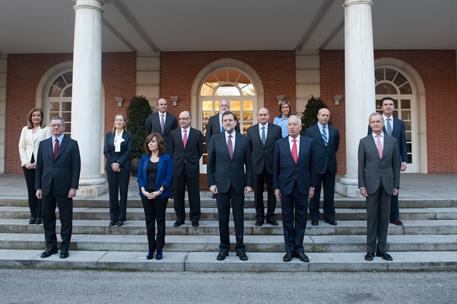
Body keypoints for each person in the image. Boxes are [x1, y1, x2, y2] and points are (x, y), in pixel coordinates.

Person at [207, 111, 252, 261]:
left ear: (235, 122)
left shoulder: (244, 140)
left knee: (239, 218)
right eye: (225, 120)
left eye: (230, 120)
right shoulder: (215, 139)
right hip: (221, 185)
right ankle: (223, 248)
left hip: (239, 185)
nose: (227, 122)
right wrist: (211, 183)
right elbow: (210, 164)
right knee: (223, 218)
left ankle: (240, 248)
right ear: (222, 123)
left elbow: (249, 164)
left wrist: (249, 183)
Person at [35, 117, 81, 259]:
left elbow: (76, 168)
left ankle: (64, 248)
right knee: (47, 219)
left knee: (66, 219)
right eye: (53, 125)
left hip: (65, 189)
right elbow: (39, 168)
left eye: (58, 125)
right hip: (47, 187)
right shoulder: (43, 144)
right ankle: (51, 247)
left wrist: (73, 187)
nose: (55, 127)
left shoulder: (72, 144)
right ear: (50, 127)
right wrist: (38, 187)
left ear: (63, 127)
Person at [273, 115, 316, 263]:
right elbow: (275, 168)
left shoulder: (309, 143)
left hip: (303, 187)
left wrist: (312, 186)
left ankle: (299, 248)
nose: (291, 127)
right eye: (289, 125)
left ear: (300, 126)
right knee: (287, 219)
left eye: (294, 124)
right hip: (285, 187)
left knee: (301, 219)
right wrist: (276, 187)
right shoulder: (279, 144)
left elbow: (313, 167)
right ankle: (289, 250)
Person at [359, 112, 400, 262]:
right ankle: (370, 250)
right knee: (372, 219)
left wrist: (396, 185)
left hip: (388, 184)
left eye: (378, 121)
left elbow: (396, 165)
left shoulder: (392, 141)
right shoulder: (364, 142)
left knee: (384, 219)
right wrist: (361, 185)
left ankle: (382, 250)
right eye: (373, 122)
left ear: (383, 123)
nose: (376, 124)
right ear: (369, 124)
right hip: (371, 185)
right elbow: (361, 166)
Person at [368, 97, 407, 226]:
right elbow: (369, 142)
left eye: (391, 104)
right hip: (378, 162)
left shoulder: (400, 123)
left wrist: (404, 160)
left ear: (394, 107)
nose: (388, 106)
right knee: (377, 188)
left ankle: (394, 216)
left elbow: (403, 142)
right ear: (381, 107)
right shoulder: (375, 121)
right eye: (386, 104)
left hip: (394, 161)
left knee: (394, 188)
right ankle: (378, 215)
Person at [137, 133, 173, 260]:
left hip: (161, 195)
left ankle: (159, 249)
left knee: (160, 221)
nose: (150, 144)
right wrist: (143, 190)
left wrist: (159, 191)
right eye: (149, 142)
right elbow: (140, 176)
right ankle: (151, 249)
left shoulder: (166, 158)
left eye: (153, 141)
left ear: (159, 143)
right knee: (149, 222)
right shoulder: (144, 158)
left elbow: (169, 177)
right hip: (146, 194)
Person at [247, 107, 282, 226]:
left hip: (272, 166)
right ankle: (260, 216)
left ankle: (270, 217)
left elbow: (279, 149)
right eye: (260, 115)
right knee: (258, 193)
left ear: (268, 116)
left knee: (272, 193)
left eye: (265, 114)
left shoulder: (276, 129)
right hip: (256, 167)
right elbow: (249, 150)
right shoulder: (250, 131)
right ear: (257, 116)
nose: (263, 116)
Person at [305, 108, 340, 226]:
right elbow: (307, 149)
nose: (325, 117)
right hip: (315, 167)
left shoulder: (334, 130)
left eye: (327, 115)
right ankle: (314, 216)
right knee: (314, 194)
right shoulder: (310, 131)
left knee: (329, 194)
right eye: (323, 115)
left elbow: (335, 147)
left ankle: (329, 216)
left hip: (330, 167)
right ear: (318, 116)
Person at [170, 111, 204, 227]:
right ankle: (180, 218)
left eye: (185, 118)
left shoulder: (197, 134)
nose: (182, 121)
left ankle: (195, 218)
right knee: (178, 194)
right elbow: (171, 151)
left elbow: (200, 150)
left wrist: (192, 160)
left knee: (194, 194)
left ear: (190, 119)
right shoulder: (173, 134)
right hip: (177, 167)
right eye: (180, 118)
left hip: (192, 167)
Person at [18, 108, 51, 225]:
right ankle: (33, 215)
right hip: (27, 164)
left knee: (40, 190)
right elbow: (21, 146)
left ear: (41, 118)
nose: (36, 117)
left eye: (38, 115)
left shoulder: (46, 130)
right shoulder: (25, 130)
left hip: (40, 164)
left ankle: (40, 215)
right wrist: (26, 162)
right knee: (31, 191)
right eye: (34, 115)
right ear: (30, 117)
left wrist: (38, 162)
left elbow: (48, 146)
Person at [104, 114, 132, 227]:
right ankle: (113, 217)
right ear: (114, 122)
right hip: (111, 167)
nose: (119, 122)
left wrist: (119, 163)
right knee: (113, 193)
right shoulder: (109, 135)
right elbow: (106, 151)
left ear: (124, 122)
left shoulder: (129, 135)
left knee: (123, 193)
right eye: (117, 120)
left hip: (124, 167)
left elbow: (128, 151)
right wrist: (113, 164)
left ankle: (121, 217)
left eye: (121, 120)